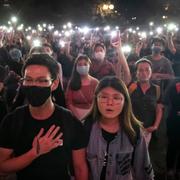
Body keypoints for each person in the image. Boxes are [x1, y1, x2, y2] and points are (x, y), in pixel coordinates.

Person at [0, 54, 88, 180]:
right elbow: (2, 167)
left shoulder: (70, 121)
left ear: (54, 83)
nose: (34, 85)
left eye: (42, 80)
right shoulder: (13, 120)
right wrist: (34, 153)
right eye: (29, 80)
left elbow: (80, 168)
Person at [84, 76, 154, 180]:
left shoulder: (133, 130)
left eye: (116, 98)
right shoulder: (85, 127)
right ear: (96, 99)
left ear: (125, 101)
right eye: (104, 97)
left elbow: (143, 170)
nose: (110, 103)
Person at [128, 59, 163, 145]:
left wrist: (155, 126)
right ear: (136, 73)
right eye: (140, 70)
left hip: (147, 130)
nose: (144, 73)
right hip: (131, 128)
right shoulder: (131, 87)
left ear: (151, 71)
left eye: (147, 69)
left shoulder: (157, 89)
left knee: (143, 153)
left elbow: (159, 109)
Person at [66, 54, 99, 121]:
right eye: (80, 64)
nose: (82, 66)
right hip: (74, 116)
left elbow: (97, 100)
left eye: (85, 64)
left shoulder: (95, 82)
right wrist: (76, 116)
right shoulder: (72, 81)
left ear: (89, 65)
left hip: (91, 116)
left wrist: (88, 116)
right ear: (76, 67)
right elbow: (69, 101)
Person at [163, 78, 180, 180]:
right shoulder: (177, 83)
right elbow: (171, 100)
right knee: (173, 145)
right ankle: (170, 169)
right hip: (175, 119)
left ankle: (178, 169)